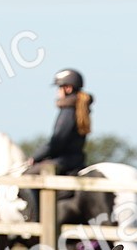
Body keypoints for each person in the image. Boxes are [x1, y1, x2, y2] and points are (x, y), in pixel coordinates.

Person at [21, 68, 93, 217]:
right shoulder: (80, 108)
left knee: (27, 177)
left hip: (63, 161)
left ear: (68, 88)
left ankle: (37, 220)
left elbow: (57, 141)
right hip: (76, 159)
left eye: (59, 88)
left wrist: (36, 157)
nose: (57, 92)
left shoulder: (68, 111)